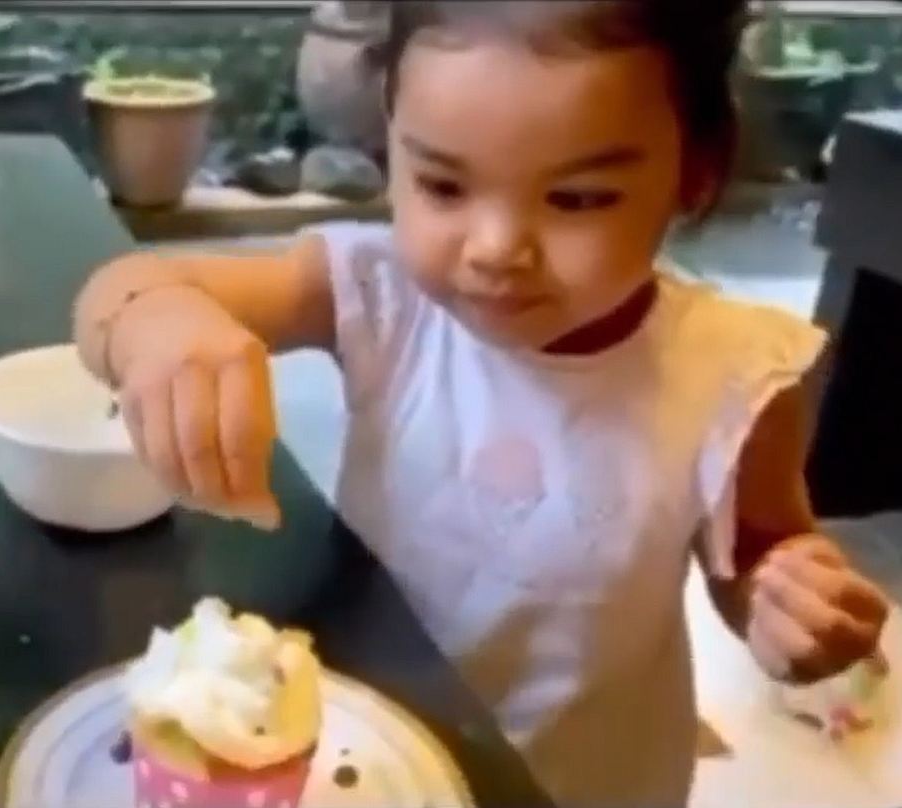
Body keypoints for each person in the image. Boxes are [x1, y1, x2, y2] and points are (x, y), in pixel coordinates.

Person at [73, 2, 889, 805]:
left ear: (695, 172)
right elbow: (118, 287)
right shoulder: (377, 292)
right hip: (374, 750)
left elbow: (756, 554)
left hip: (580, 783)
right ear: (390, 138)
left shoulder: (731, 371)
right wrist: (155, 320)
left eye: (576, 198)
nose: (496, 249)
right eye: (442, 184)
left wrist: (786, 601)